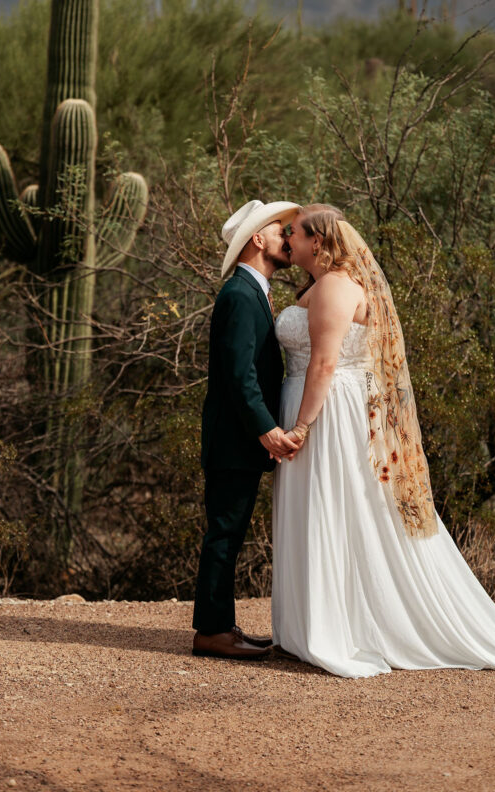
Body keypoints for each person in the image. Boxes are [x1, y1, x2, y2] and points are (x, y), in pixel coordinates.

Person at [272, 203, 495, 679]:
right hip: (322, 403)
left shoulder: (333, 286)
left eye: (296, 233)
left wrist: (303, 426)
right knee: (328, 508)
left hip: (329, 410)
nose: (289, 239)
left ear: (320, 241)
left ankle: (343, 628)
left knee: (336, 506)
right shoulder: (320, 285)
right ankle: (324, 622)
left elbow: (325, 364)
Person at [192, 199, 301, 660]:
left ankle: (221, 625)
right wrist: (267, 431)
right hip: (233, 441)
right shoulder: (239, 295)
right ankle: (211, 632)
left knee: (229, 531)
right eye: (282, 232)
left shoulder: (250, 291)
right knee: (224, 532)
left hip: (236, 441)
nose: (289, 239)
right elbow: (240, 376)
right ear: (259, 239)